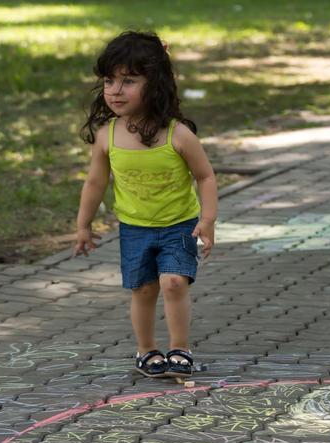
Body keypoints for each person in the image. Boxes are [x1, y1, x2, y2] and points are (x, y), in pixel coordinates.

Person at [72, 30, 218, 380]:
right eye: (109, 80)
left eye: (129, 81)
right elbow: (95, 182)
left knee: (173, 283)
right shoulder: (107, 135)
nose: (116, 90)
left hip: (178, 224)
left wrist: (208, 220)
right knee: (143, 288)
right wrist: (83, 225)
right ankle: (146, 350)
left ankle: (180, 348)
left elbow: (206, 177)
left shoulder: (177, 134)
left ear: (154, 85)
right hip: (135, 228)